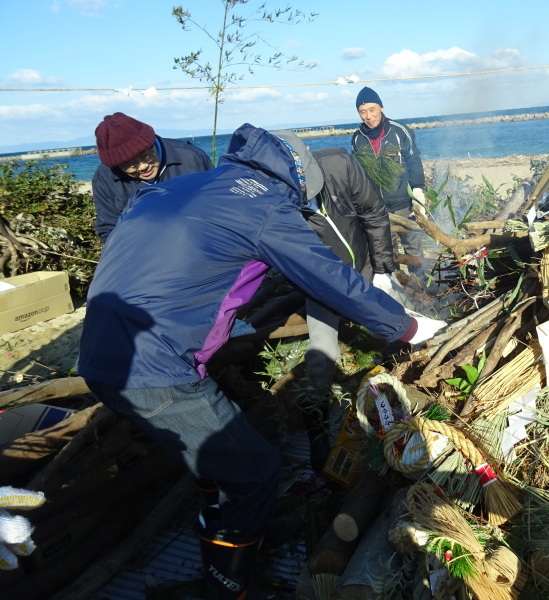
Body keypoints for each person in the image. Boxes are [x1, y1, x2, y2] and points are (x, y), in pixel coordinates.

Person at [77, 123, 445, 600]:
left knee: (221, 463)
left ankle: (249, 533)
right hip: (153, 368)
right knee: (252, 470)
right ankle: (230, 586)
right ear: (296, 177)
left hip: (104, 351)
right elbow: (330, 278)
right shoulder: (264, 204)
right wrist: (409, 327)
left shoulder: (194, 185)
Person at [262, 131, 399, 473]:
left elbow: (373, 212)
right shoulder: (275, 202)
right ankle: (318, 442)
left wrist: (383, 270)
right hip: (321, 282)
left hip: (365, 267)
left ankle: (394, 412)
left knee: (389, 333)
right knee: (322, 352)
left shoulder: (338, 164)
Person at [91, 112, 213, 243]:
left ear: (151, 143)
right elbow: (109, 230)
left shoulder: (192, 157)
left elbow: (219, 202)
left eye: (146, 155)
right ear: (117, 165)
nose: (143, 166)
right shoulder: (104, 180)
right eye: (130, 164)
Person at [351, 87, 428, 276]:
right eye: (363, 112)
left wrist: (418, 191)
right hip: (377, 208)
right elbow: (357, 173)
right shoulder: (357, 139)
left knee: (413, 248)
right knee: (387, 253)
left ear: (381, 108)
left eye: (372, 109)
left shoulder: (400, 131)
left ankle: (422, 289)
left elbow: (413, 160)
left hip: (404, 204)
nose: (369, 116)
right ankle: (399, 289)